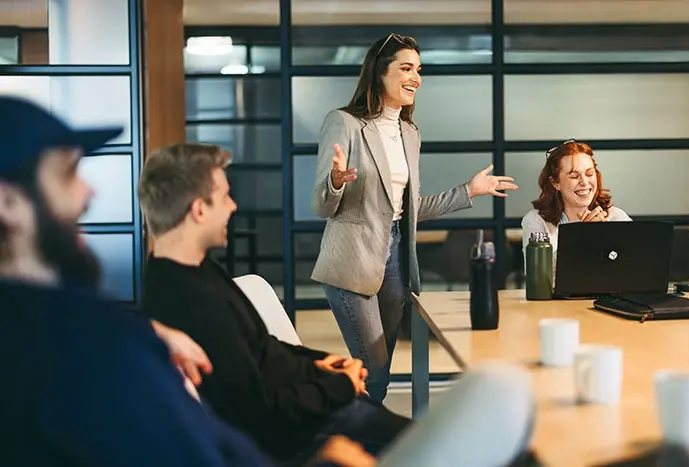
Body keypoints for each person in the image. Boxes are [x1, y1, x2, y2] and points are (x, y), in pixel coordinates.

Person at [0, 95, 373, 467]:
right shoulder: (90, 353)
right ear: (8, 203)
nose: (88, 192)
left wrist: (145, 330)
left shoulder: (89, 332)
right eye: (67, 173)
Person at [138, 143, 411, 465]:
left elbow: (263, 349)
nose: (233, 206)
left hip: (314, 410)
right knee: (439, 446)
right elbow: (259, 412)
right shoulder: (186, 300)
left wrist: (325, 364)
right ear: (199, 209)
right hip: (300, 439)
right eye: (225, 196)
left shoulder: (199, 272)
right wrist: (338, 386)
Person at [310, 32, 519, 402]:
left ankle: (362, 433)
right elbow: (322, 206)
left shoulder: (409, 133)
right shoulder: (343, 123)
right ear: (379, 72)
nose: (416, 78)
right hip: (351, 259)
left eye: (419, 70)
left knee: (381, 367)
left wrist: (468, 191)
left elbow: (409, 210)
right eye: (406, 68)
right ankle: (354, 440)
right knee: (372, 367)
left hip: (395, 256)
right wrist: (336, 182)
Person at [521, 139, 632, 271]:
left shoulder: (615, 217)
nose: (584, 182)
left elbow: (637, 267)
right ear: (555, 183)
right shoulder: (536, 221)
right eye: (574, 176)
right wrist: (581, 238)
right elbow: (538, 274)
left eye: (590, 174)